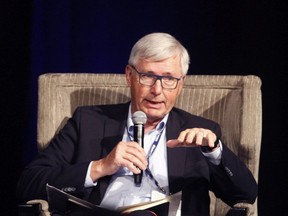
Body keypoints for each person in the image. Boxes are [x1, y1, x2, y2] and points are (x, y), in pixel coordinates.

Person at [17, 32, 257, 215]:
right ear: (130, 76)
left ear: (181, 83)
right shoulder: (87, 121)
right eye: (148, 76)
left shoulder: (201, 133)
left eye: (169, 79)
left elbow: (246, 196)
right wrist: (100, 166)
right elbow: (29, 184)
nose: (157, 90)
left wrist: (215, 152)